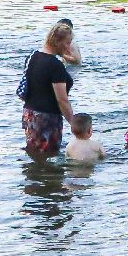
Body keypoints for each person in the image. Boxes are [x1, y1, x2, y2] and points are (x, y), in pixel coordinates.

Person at [18, 24, 75, 157]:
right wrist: (74, 123)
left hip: (29, 115)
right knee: (49, 155)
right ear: (56, 41)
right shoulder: (55, 65)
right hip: (47, 119)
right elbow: (62, 100)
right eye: (67, 43)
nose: (68, 47)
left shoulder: (32, 57)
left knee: (34, 154)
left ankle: (34, 177)